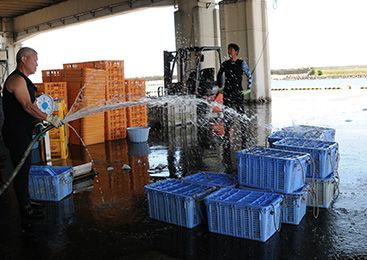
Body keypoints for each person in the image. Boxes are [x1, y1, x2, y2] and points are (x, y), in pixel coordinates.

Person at [2, 47, 63, 219]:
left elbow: (33, 106)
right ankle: (24, 208)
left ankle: (27, 200)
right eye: (34, 59)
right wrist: (49, 118)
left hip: (24, 131)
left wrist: (39, 123)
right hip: (16, 133)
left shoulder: (26, 82)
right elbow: (27, 107)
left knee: (26, 167)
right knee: (21, 169)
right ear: (23, 59)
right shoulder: (16, 79)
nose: (37, 63)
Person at [217, 43, 252, 164]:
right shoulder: (225, 64)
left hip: (238, 93)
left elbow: (249, 75)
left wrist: (248, 89)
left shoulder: (241, 63)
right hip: (227, 93)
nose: (229, 51)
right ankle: (227, 135)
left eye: (231, 50)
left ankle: (244, 135)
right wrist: (220, 86)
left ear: (236, 52)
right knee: (227, 114)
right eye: (228, 50)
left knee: (241, 114)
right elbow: (219, 74)